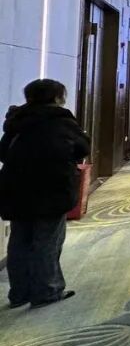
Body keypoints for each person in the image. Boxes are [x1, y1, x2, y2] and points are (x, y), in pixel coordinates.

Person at [0, 79, 90, 308]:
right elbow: (82, 148)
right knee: (47, 241)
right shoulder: (60, 120)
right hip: (52, 187)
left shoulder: (17, 120)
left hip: (16, 187)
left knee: (19, 241)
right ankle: (47, 291)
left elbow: (3, 152)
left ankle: (19, 293)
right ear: (57, 97)